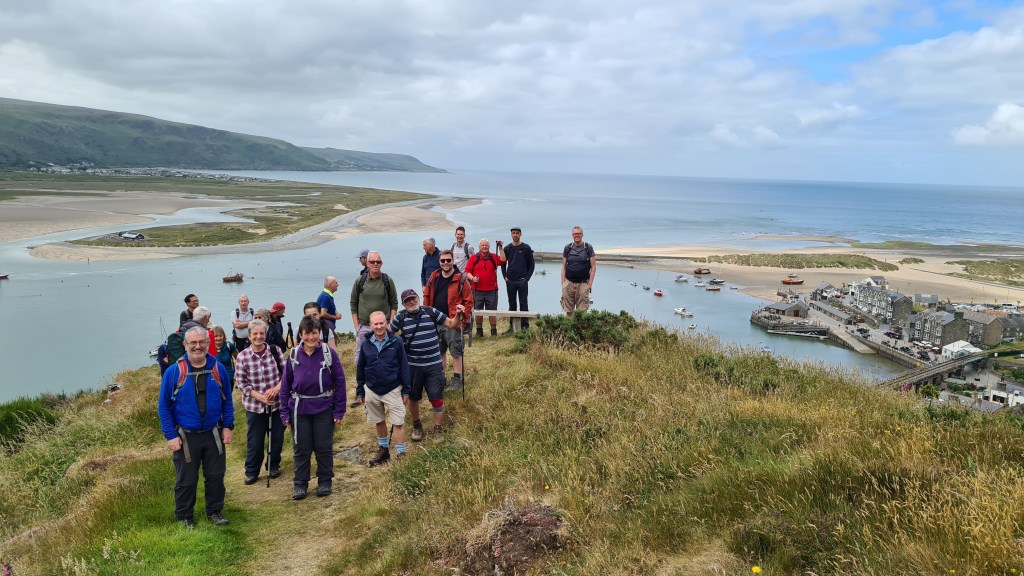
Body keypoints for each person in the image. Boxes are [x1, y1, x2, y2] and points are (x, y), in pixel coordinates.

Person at [157, 326, 234, 528]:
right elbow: (163, 406)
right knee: (186, 480)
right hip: (185, 436)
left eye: (202, 342)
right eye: (193, 343)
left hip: (213, 433)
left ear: (208, 344)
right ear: (185, 345)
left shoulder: (218, 370)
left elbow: (228, 400)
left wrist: (228, 426)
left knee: (216, 476)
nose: (198, 346)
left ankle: (215, 512)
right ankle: (184, 517)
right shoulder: (174, 372)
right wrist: (170, 435)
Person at [280, 316, 346, 500]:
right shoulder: (293, 356)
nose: (310, 337)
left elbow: (340, 382)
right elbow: (285, 386)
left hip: (324, 408)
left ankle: (325, 481)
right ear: (300, 334)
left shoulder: (329, 354)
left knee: (323, 447)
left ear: (319, 334)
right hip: (299, 410)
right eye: (307, 333)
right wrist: (284, 414)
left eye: (314, 333)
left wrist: (339, 410)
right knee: (301, 448)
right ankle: (300, 484)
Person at [390, 289, 464, 442]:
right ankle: (417, 426)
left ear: (418, 298)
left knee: (437, 398)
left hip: (434, 365)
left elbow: (452, 323)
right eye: (407, 300)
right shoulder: (401, 317)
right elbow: (388, 334)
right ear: (403, 303)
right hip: (412, 367)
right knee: (413, 398)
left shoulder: (431, 312)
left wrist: (458, 314)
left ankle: (438, 428)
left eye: (413, 298)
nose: (411, 302)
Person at [356, 311, 411, 466]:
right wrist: (360, 389)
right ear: (370, 325)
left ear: (386, 323)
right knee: (379, 420)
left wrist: (406, 389)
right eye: (376, 324)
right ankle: (384, 451)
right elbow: (361, 367)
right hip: (372, 389)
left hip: (393, 388)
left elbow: (404, 366)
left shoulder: (396, 341)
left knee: (398, 422)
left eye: (382, 323)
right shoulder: (366, 343)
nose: (379, 327)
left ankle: (401, 454)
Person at [234, 319, 285, 485]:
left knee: (276, 438)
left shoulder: (275, 351)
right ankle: (251, 471)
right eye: (255, 334)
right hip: (255, 407)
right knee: (255, 441)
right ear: (249, 336)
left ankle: (273, 465)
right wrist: (260, 397)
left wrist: (277, 389)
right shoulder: (242, 357)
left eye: (261, 333)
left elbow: (287, 376)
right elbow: (241, 384)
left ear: (265, 335)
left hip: (277, 405)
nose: (258, 336)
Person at [423, 250, 474, 392]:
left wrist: (463, 321)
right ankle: (441, 378)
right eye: (443, 260)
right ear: (439, 262)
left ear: (453, 261)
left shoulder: (461, 279)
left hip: (453, 321)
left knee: (456, 351)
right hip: (436, 321)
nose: (445, 263)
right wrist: (427, 315)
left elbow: (469, 302)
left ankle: (457, 379)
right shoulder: (434, 277)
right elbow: (427, 295)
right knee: (440, 352)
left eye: (448, 260)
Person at [350, 250, 398, 366]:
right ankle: (362, 382)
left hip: (383, 326)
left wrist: (390, 324)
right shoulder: (359, 281)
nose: (375, 264)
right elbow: (353, 304)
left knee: (386, 354)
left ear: (381, 263)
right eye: (372, 262)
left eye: (378, 261)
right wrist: (357, 327)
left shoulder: (387, 280)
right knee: (361, 356)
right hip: (364, 327)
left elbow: (394, 303)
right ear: (367, 264)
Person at [464, 238, 505, 337]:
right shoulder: (474, 258)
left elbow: (503, 261)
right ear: (479, 247)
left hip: (492, 290)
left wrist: (500, 248)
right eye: (482, 245)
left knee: (492, 311)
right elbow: (467, 271)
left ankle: (493, 331)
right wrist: (473, 278)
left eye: (486, 245)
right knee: (478, 311)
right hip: (477, 290)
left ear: (489, 247)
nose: (484, 247)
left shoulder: (493, 257)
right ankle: (479, 331)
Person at [501, 226, 536, 332]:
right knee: (512, 304)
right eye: (513, 233)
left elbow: (531, 265)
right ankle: (512, 327)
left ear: (520, 234)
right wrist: (505, 277)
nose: (515, 235)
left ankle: (525, 327)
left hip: (522, 280)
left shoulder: (526, 248)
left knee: (524, 304)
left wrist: (527, 279)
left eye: (517, 233)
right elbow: (503, 263)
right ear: (511, 235)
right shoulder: (507, 248)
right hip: (510, 280)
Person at [561, 226, 597, 316]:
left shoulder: (588, 247)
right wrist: (563, 283)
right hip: (568, 284)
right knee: (568, 311)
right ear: (572, 235)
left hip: (583, 284)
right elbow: (563, 266)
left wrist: (590, 283)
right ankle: (569, 329)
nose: (577, 235)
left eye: (579, 233)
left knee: (582, 312)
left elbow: (593, 266)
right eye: (575, 234)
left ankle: (581, 330)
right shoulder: (567, 248)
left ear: (582, 235)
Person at [317, 276, 342, 351]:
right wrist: (335, 317)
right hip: (325, 327)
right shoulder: (326, 296)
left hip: (326, 326)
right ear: (330, 284)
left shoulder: (327, 295)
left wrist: (336, 314)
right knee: (331, 348)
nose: (338, 285)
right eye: (336, 283)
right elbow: (322, 314)